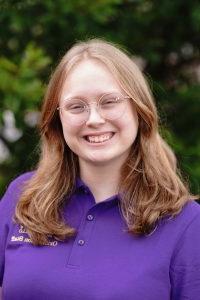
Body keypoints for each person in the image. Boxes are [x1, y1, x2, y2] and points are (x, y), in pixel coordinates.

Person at [0, 38, 200, 300]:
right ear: (57, 119)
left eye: (109, 101)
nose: (94, 119)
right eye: (76, 106)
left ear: (139, 110)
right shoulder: (23, 197)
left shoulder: (186, 223)